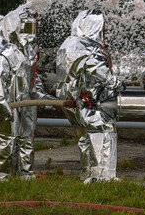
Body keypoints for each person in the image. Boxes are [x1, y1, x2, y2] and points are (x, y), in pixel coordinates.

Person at [0, 8, 55, 180]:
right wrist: (1, 105)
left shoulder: (26, 57)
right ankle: (1, 176)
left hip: (26, 111)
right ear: (14, 29)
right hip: (8, 110)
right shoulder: (2, 54)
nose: (30, 36)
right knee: (6, 142)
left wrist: (47, 100)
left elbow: (33, 85)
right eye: (26, 29)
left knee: (26, 141)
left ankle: (25, 174)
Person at [56, 9, 124, 183]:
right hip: (92, 103)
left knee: (85, 139)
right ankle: (102, 178)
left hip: (72, 103)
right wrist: (117, 84)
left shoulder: (68, 45)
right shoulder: (89, 48)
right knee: (103, 135)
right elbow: (98, 71)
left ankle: (87, 175)